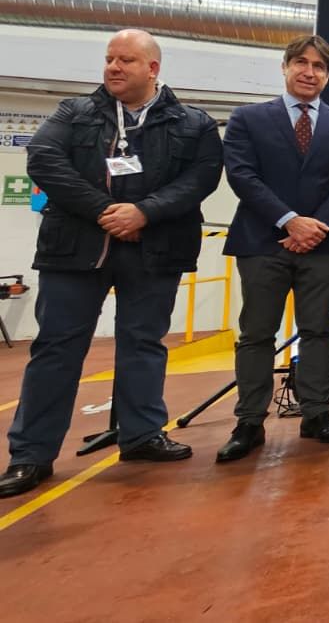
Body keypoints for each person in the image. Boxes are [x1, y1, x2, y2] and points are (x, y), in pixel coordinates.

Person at [0, 31, 222, 499]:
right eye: (109, 59)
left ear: (153, 69)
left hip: (153, 247)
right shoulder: (74, 112)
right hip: (77, 248)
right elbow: (43, 159)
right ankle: (31, 455)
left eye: (126, 60)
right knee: (57, 349)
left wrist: (146, 211)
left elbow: (201, 177)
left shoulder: (192, 123)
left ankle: (141, 436)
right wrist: (104, 211)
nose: (114, 68)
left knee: (143, 344)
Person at [216, 35, 329, 462]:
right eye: (301, 62)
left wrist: (314, 227)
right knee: (256, 334)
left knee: (317, 330)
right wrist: (289, 221)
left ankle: (317, 413)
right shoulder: (248, 119)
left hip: (323, 243)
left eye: (319, 66)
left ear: (328, 75)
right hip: (263, 241)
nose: (309, 71)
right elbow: (242, 175)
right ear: (284, 67)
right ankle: (249, 421)